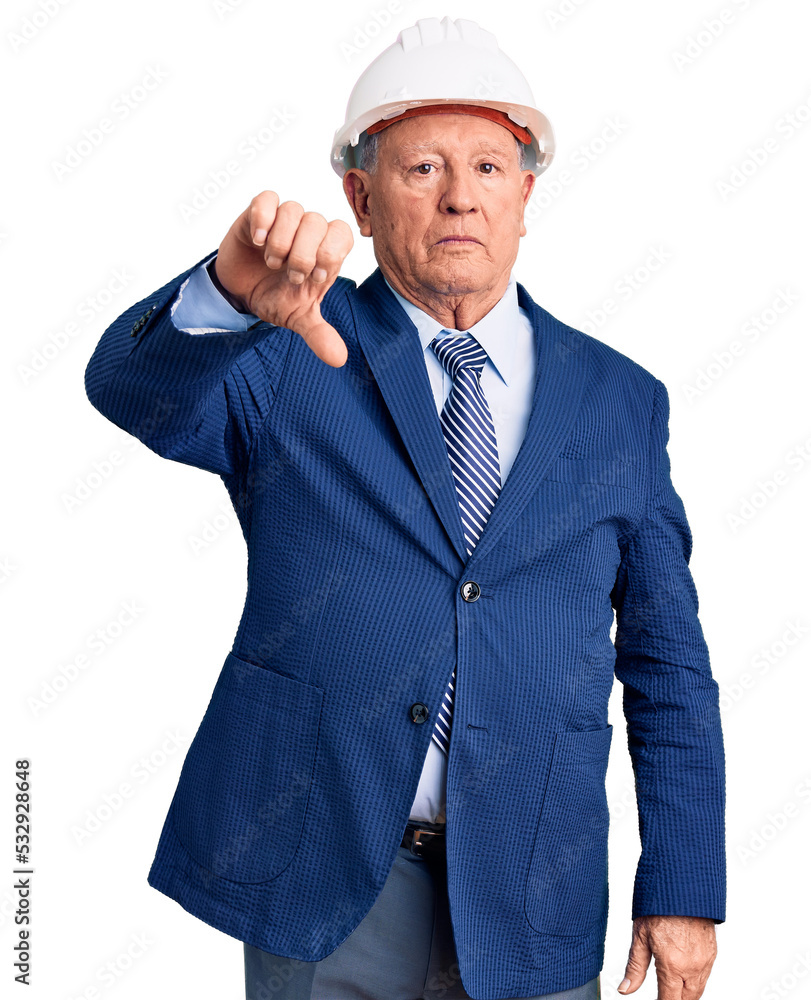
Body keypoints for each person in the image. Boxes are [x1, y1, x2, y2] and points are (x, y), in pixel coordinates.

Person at [84, 16, 725, 1000]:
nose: (461, 194)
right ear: (360, 196)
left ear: (525, 194)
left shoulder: (617, 401)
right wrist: (220, 298)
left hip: (530, 872)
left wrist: (681, 881)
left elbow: (665, 655)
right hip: (324, 859)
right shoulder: (284, 340)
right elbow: (134, 393)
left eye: (488, 166)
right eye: (422, 167)